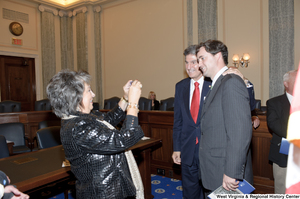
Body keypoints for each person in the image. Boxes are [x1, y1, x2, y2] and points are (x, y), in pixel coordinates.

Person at [46, 70, 144, 199]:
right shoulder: (77, 128)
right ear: (75, 97)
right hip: (103, 193)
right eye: (88, 91)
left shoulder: (80, 118)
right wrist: (133, 104)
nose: (93, 94)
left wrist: (125, 98)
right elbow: (122, 140)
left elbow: (107, 121)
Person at [196, 40, 253, 195]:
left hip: (227, 174)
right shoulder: (217, 84)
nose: (198, 64)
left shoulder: (231, 82)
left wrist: (232, 172)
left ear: (218, 56)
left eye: (202, 58)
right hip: (216, 169)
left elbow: (240, 132)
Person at [172, 44, 211, 199]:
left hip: (209, 152)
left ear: (201, 62)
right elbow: (178, 121)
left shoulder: (214, 84)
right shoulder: (180, 87)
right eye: (186, 63)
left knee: (210, 193)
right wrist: (177, 148)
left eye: (193, 62)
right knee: (190, 193)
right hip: (187, 150)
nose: (189, 67)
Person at [267, 69, 298, 194]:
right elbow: (274, 124)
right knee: (281, 188)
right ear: (286, 83)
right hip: (283, 154)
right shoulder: (274, 103)